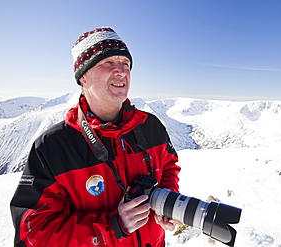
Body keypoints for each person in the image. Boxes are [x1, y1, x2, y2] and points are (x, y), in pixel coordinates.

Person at [10, 27, 182, 247]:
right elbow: (33, 232)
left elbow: (169, 166)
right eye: (108, 63)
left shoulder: (151, 126)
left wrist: (166, 202)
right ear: (83, 76)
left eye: (126, 64)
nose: (121, 71)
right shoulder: (52, 147)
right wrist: (113, 226)